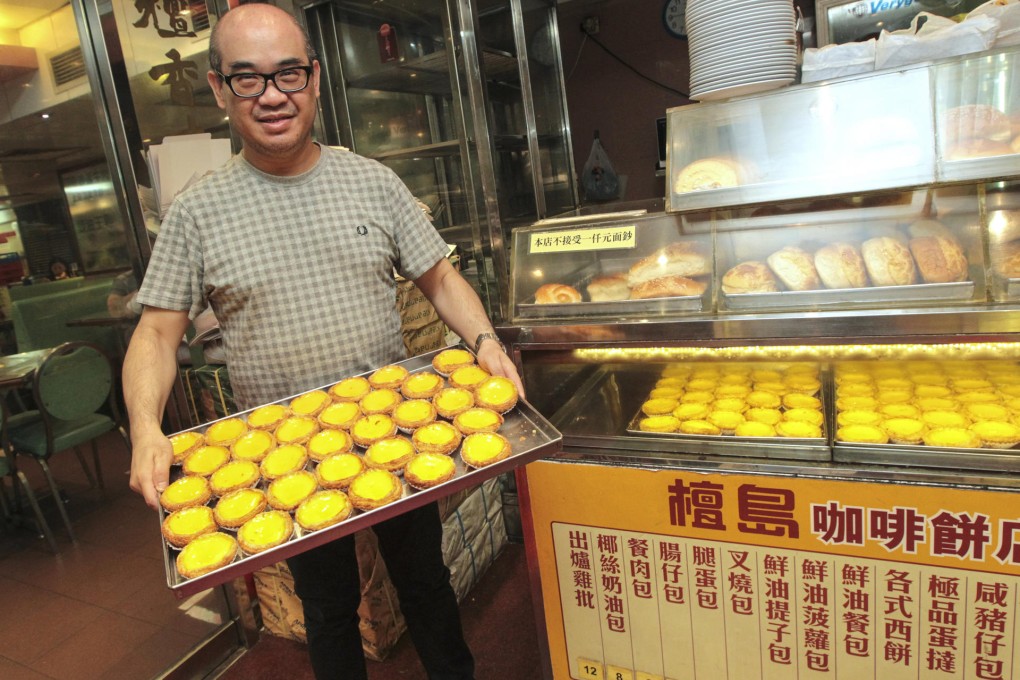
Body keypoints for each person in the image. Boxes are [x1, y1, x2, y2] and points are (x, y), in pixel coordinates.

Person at [123, 5, 522, 680]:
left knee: (426, 584)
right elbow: (157, 334)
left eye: (288, 74)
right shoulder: (197, 212)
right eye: (248, 79)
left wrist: (484, 340)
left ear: (313, 78)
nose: (273, 95)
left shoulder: (371, 181)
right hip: (283, 452)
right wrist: (143, 427)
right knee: (328, 608)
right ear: (220, 90)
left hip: (398, 428)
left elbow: (441, 277)